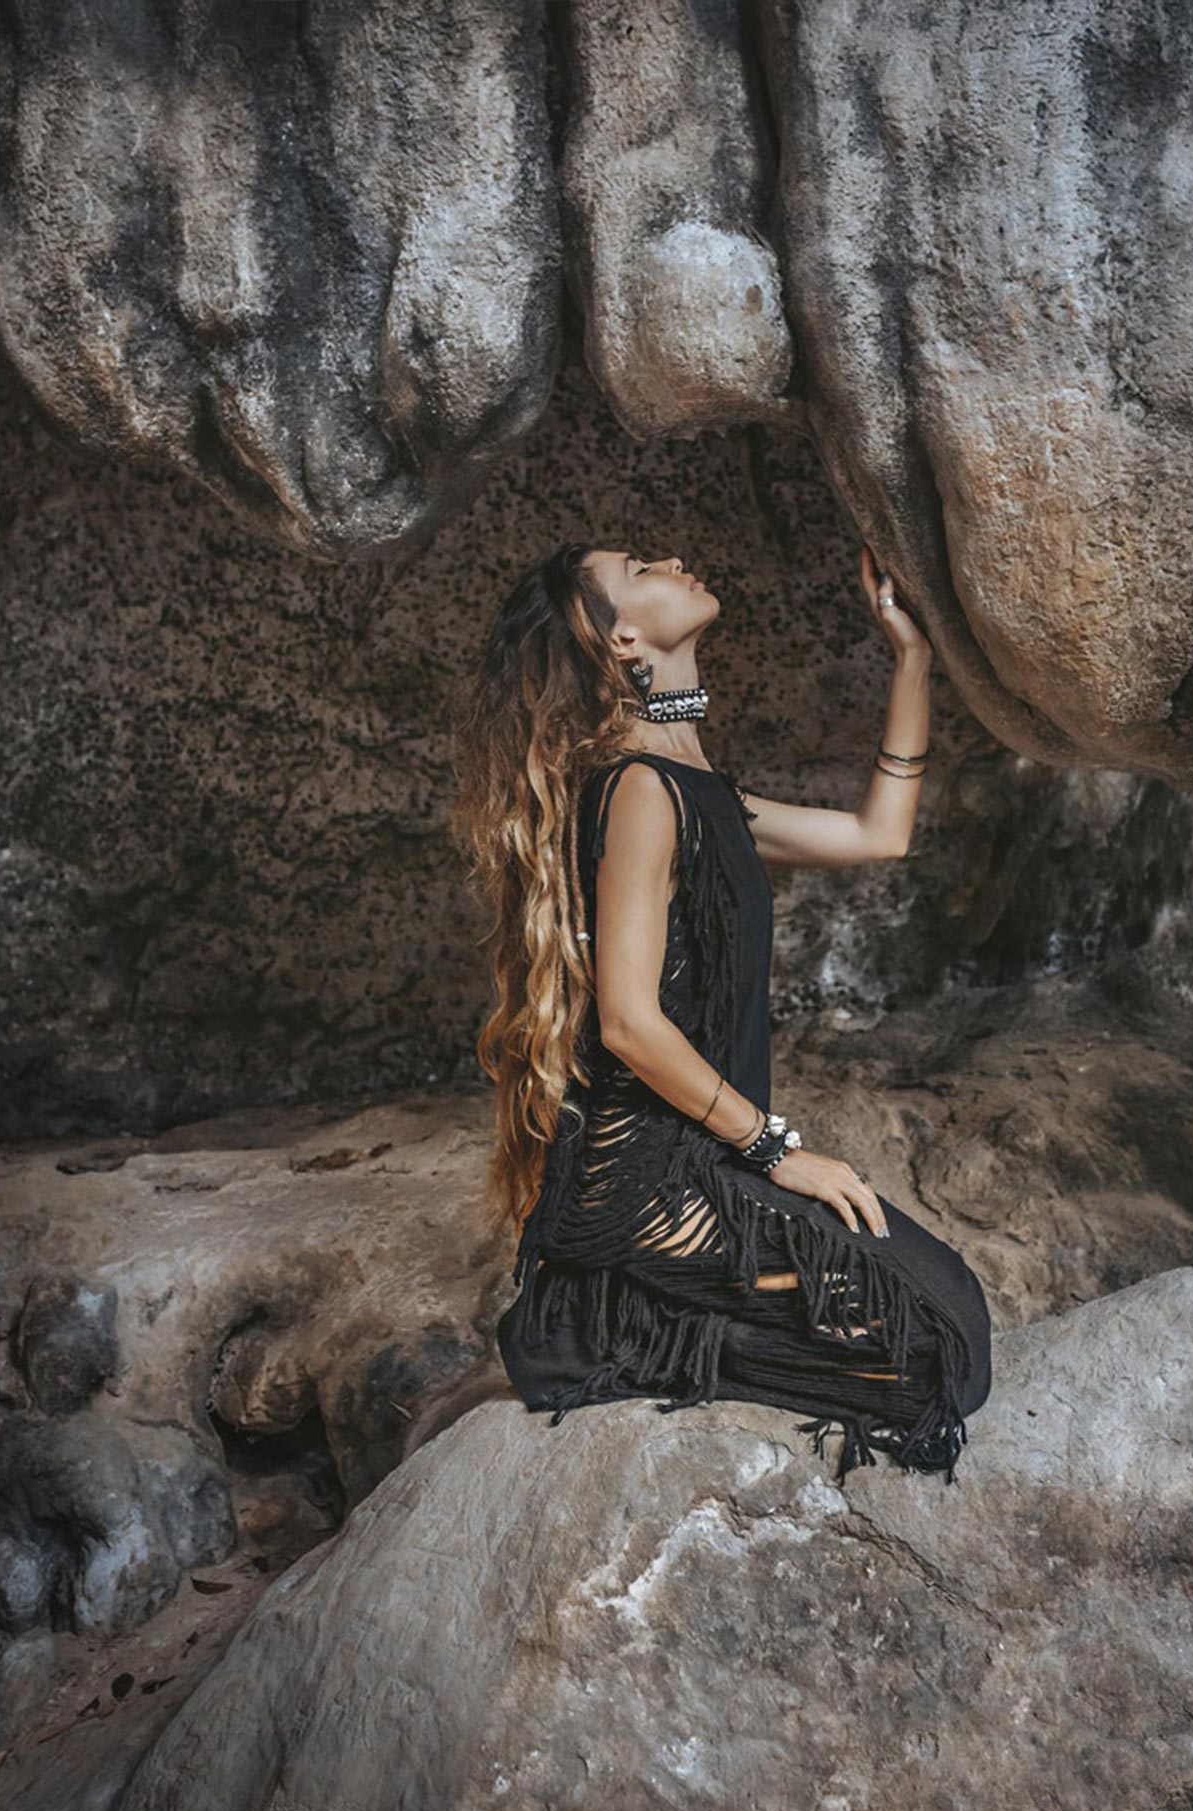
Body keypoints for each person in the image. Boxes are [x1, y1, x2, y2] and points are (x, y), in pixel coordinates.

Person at [417, 538, 992, 1487]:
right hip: (646, 1185)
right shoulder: (639, 790)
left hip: (703, 1166)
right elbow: (629, 1025)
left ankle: (626, 1312)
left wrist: (913, 658)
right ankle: (602, 1315)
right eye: (640, 567)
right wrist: (779, 1152)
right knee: (930, 1351)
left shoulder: (697, 789)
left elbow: (876, 836)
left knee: (954, 1311)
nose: (676, 558)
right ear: (625, 642)